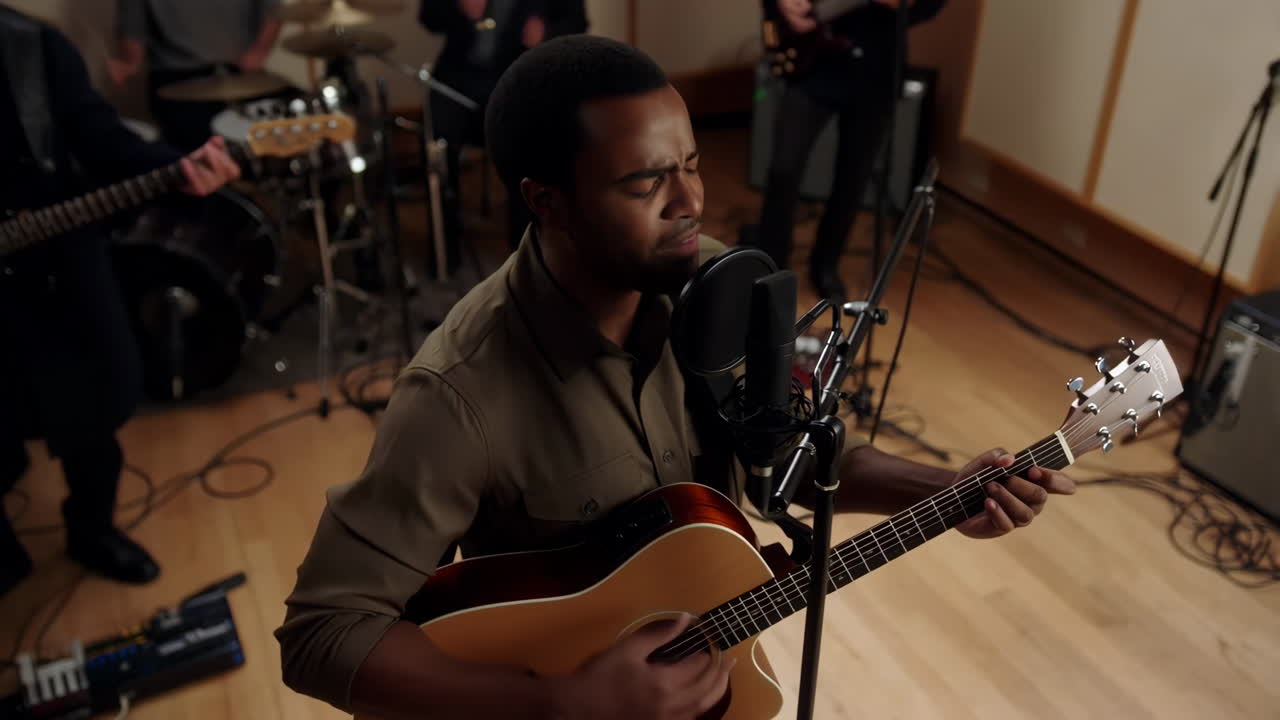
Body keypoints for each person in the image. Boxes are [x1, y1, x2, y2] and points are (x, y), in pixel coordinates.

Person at [275, 35, 1075, 719]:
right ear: (546, 201)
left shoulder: (719, 287)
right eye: (644, 182)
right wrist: (562, 706)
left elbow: (788, 456)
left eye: (690, 164)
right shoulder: (459, 395)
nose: (691, 201)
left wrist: (948, 491)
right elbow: (321, 634)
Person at [0, 6, 241, 597]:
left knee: (96, 400)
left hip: (57, 263)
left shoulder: (30, 47)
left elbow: (102, 139)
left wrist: (176, 169)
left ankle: (91, 529)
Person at [753, 0, 945, 300]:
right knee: (783, 167)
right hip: (810, 61)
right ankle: (769, 265)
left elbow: (929, 7)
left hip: (875, 68)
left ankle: (826, 265)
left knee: (853, 177)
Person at [418, 0, 588, 274]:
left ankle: (524, 249)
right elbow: (429, 17)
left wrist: (545, 33)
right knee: (435, 144)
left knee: (528, 142)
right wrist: (457, 9)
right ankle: (443, 246)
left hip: (517, 74)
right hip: (459, 76)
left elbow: (577, 22)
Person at [108, 0, 284, 152]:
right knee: (194, 148)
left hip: (240, 71)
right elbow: (133, 35)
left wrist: (258, 51)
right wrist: (127, 65)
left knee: (283, 124)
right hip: (177, 78)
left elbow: (274, 11)